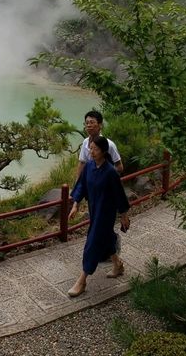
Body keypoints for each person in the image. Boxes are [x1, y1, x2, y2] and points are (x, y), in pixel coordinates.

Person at [67, 135, 130, 297]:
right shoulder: (89, 167)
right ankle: (117, 265)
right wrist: (75, 205)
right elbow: (81, 185)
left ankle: (82, 280)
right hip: (94, 208)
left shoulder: (110, 172)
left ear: (103, 151)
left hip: (106, 212)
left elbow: (119, 195)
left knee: (93, 241)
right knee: (106, 237)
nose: (91, 151)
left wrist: (124, 215)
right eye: (90, 148)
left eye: (94, 149)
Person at [76, 110, 124, 177]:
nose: (89, 125)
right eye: (86, 123)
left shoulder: (109, 144)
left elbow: (119, 167)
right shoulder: (85, 142)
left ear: (100, 125)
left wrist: (107, 178)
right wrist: (77, 184)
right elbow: (82, 163)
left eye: (92, 122)